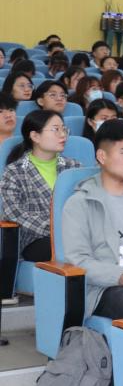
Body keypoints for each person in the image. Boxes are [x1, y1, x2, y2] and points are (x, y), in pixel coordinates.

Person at [63, 120, 123, 319]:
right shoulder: (80, 203)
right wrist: (122, 276)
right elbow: (79, 261)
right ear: (102, 156)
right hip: (105, 288)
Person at [0, 111, 82, 298]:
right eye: (56, 129)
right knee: (71, 248)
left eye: (64, 129)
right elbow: (14, 213)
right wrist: (57, 229)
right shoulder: (15, 171)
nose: (63, 135)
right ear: (35, 136)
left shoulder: (75, 167)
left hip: (75, 233)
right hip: (35, 239)